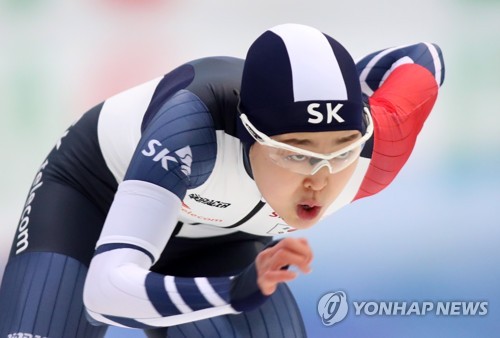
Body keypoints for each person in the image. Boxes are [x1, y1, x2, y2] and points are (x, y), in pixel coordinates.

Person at [0, 23, 445, 338]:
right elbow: (102, 295)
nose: (321, 178)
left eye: (342, 148)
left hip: (218, 240)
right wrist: (233, 291)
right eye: (296, 152)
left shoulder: (380, 146)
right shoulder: (192, 130)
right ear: (247, 134)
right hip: (95, 202)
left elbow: (424, 55)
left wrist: (353, 86)